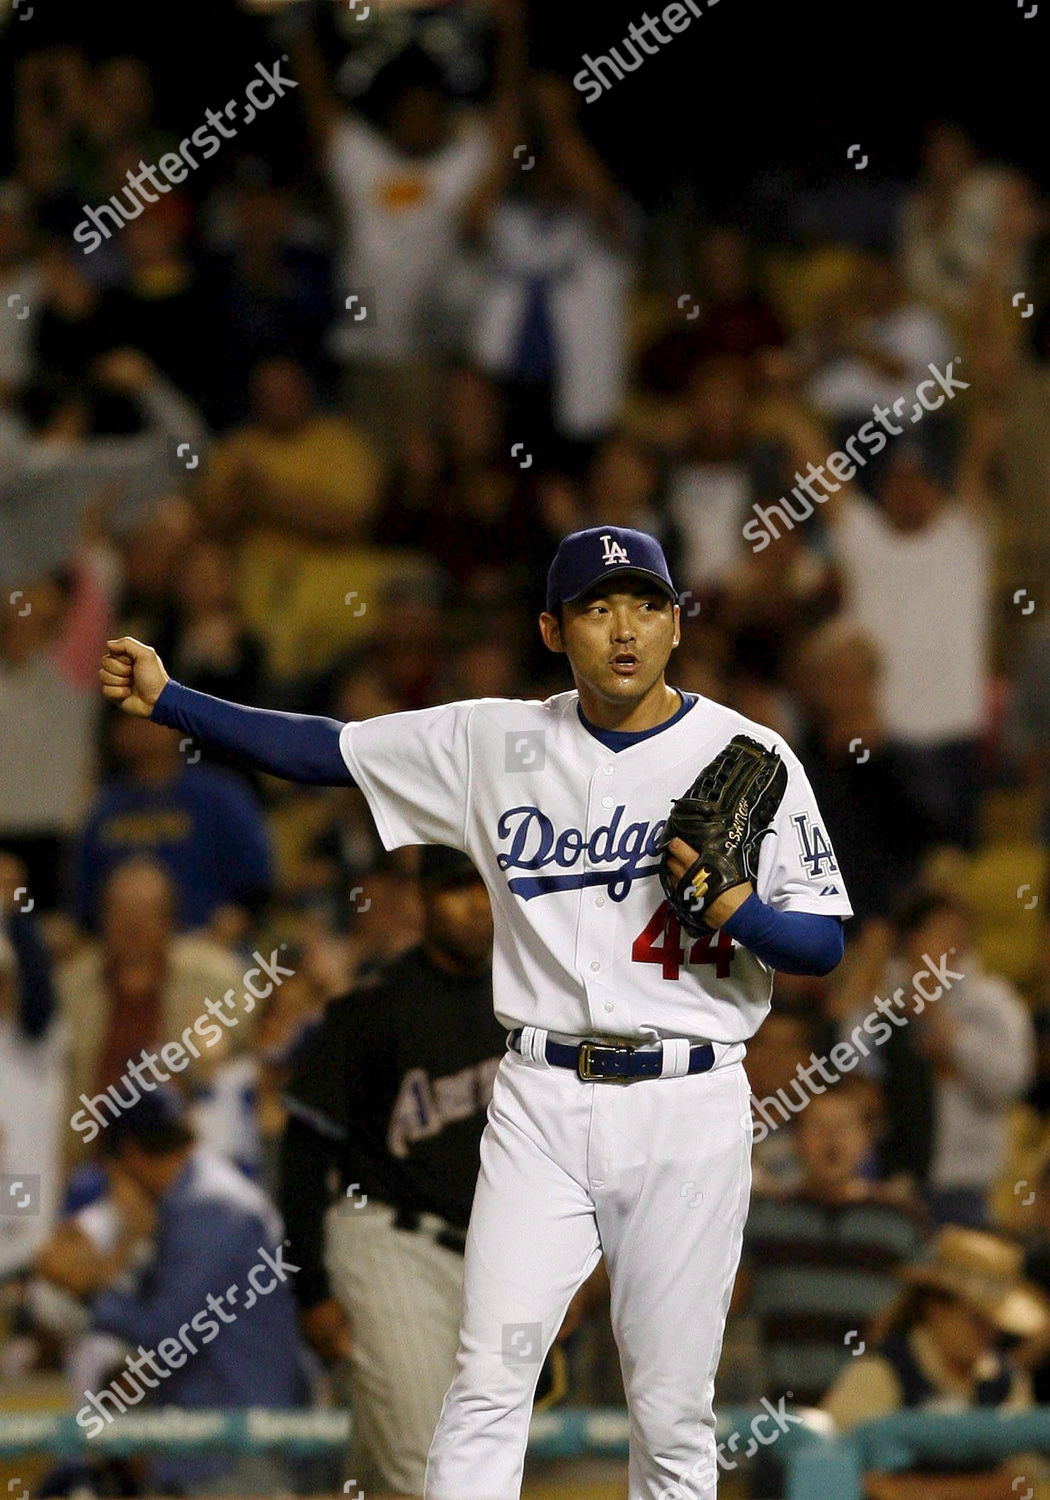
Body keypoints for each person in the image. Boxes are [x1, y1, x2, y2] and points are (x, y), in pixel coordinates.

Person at [98, 524, 852, 1500]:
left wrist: (738, 911)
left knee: (670, 1413)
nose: (623, 629)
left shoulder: (747, 754)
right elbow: (326, 751)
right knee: (487, 1385)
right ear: (552, 627)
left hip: (690, 1097)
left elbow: (825, 943)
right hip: (540, 1093)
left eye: (646, 605)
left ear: (674, 622)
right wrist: (172, 700)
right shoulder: (494, 741)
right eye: (595, 607)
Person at [280, 845, 568, 1498]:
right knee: (432, 1469)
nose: (472, 903)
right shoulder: (374, 1009)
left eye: (484, 887)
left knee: (390, 1475)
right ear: (422, 900)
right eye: (454, 888)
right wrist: (310, 1288)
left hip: (495, 1263)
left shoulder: (537, 1002)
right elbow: (304, 1153)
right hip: (392, 1243)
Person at [35, 1088, 308, 1497]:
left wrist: (91, 1291)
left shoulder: (211, 1208)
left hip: (236, 1452)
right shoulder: (195, 1198)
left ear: (128, 1154)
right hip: (210, 1446)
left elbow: (169, 1335)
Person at [822, 1227, 1048, 1500]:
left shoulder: (1007, 1381)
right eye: (976, 1320)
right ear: (936, 1308)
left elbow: (1024, 1479)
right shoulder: (881, 1371)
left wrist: (922, 1492)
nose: (988, 1334)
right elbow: (840, 1465)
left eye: (996, 1324)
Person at [740, 1086, 928, 1408]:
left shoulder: (901, 1219)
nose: (831, 1139)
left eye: (844, 1126)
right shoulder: (762, 1218)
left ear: (865, 1140)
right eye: (818, 1127)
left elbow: (925, 1314)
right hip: (781, 1417)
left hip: (872, 1416)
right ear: (797, 1142)